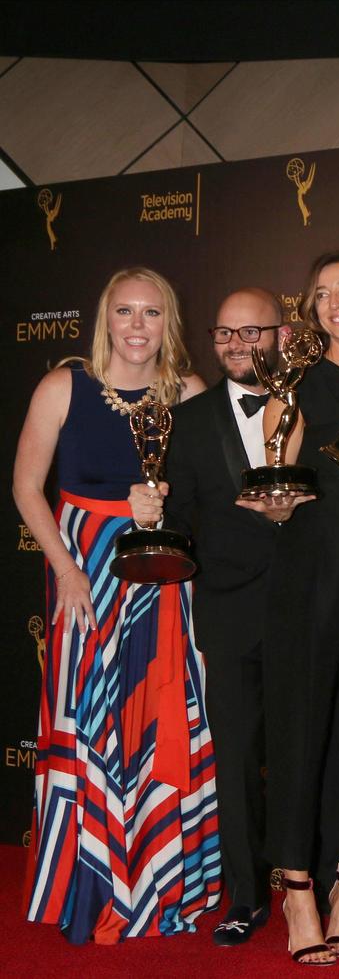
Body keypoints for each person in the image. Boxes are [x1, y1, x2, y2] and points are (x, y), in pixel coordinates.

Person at [13, 266, 215, 944]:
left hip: (159, 575)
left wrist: (165, 506)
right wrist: (66, 569)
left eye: (151, 313)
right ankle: (87, 885)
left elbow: (209, 493)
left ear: (169, 322)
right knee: (85, 713)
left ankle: (158, 883)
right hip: (83, 569)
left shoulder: (187, 392)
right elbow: (25, 486)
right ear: (105, 320)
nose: (137, 327)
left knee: (156, 716)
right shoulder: (62, 385)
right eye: (124, 312)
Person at [129, 287, 293, 947]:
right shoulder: (188, 421)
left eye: (251, 331)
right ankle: (247, 896)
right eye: (224, 333)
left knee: (321, 745)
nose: (236, 344)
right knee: (238, 756)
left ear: (281, 335)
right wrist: (152, 514)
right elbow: (179, 519)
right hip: (228, 610)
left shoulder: (316, 398)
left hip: (313, 604)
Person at [252, 252, 339, 966]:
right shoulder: (296, 381)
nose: (334, 301)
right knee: (300, 734)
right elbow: (277, 475)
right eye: (320, 293)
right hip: (309, 580)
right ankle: (298, 890)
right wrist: (276, 508)